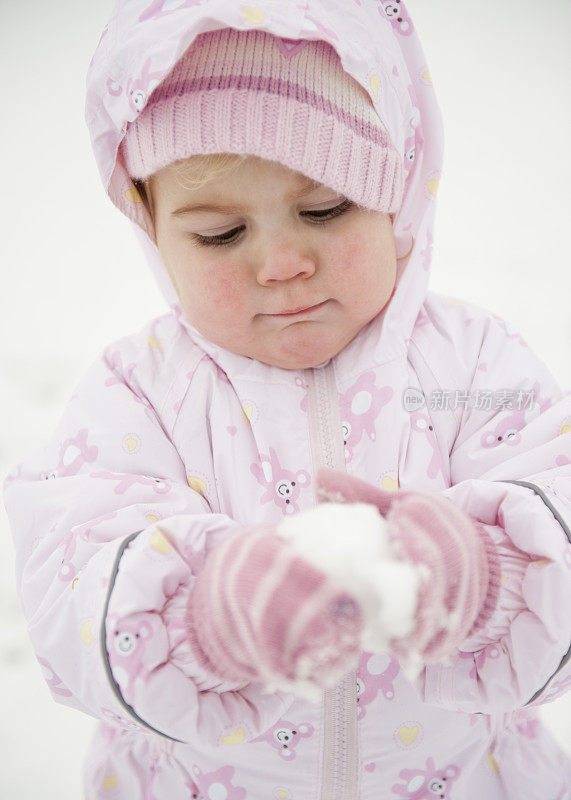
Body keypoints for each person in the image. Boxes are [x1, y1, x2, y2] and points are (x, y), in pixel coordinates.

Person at [4, 0, 571, 797]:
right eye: (218, 234)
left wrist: (489, 569)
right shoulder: (142, 394)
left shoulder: (469, 365)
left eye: (324, 209)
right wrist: (202, 616)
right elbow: (71, 585)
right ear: (153, 230)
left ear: (396, 203)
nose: (279, 264)